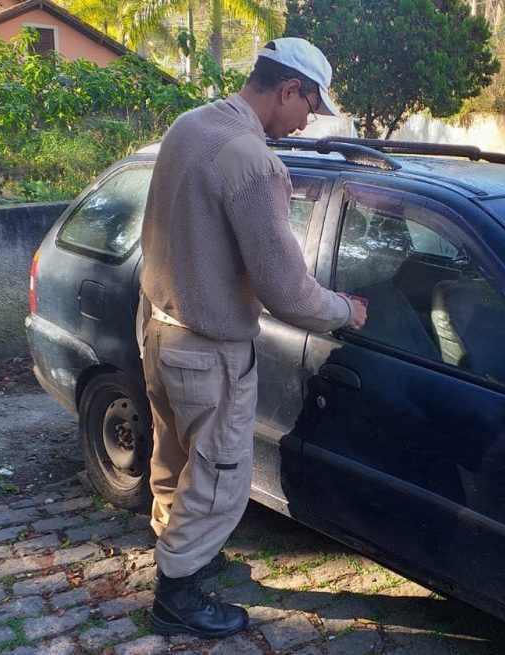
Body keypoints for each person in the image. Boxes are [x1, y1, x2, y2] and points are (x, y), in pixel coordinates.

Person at [138, 37, 367, 639]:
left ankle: (178, 550)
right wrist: (345, 310)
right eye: (310, 108)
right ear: (289, 89)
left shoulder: (190, 126)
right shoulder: (255, 161)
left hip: (160, 331)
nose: (306, 123)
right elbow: (286, 291)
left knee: (176, 458)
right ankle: (177, 597)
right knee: (218, 478)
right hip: (208, 351)